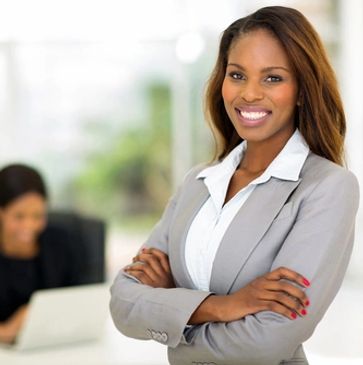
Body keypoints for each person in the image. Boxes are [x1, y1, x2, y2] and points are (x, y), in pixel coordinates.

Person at [110, 6, 360, 365]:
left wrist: (172, 314)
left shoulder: (328, 188)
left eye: (272, 78)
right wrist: (225, 306)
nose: (249, 94)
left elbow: (267, 342)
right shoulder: (198, 182)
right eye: (237, 75)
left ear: (303, 91)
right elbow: (123, 303)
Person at [0, 164, 79, 344]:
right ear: (1, 211)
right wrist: (7, 331)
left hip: (54, 345)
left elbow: (80, 300)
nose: (29, 226)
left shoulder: (63, 242)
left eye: (38, 216)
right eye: (19, 216)